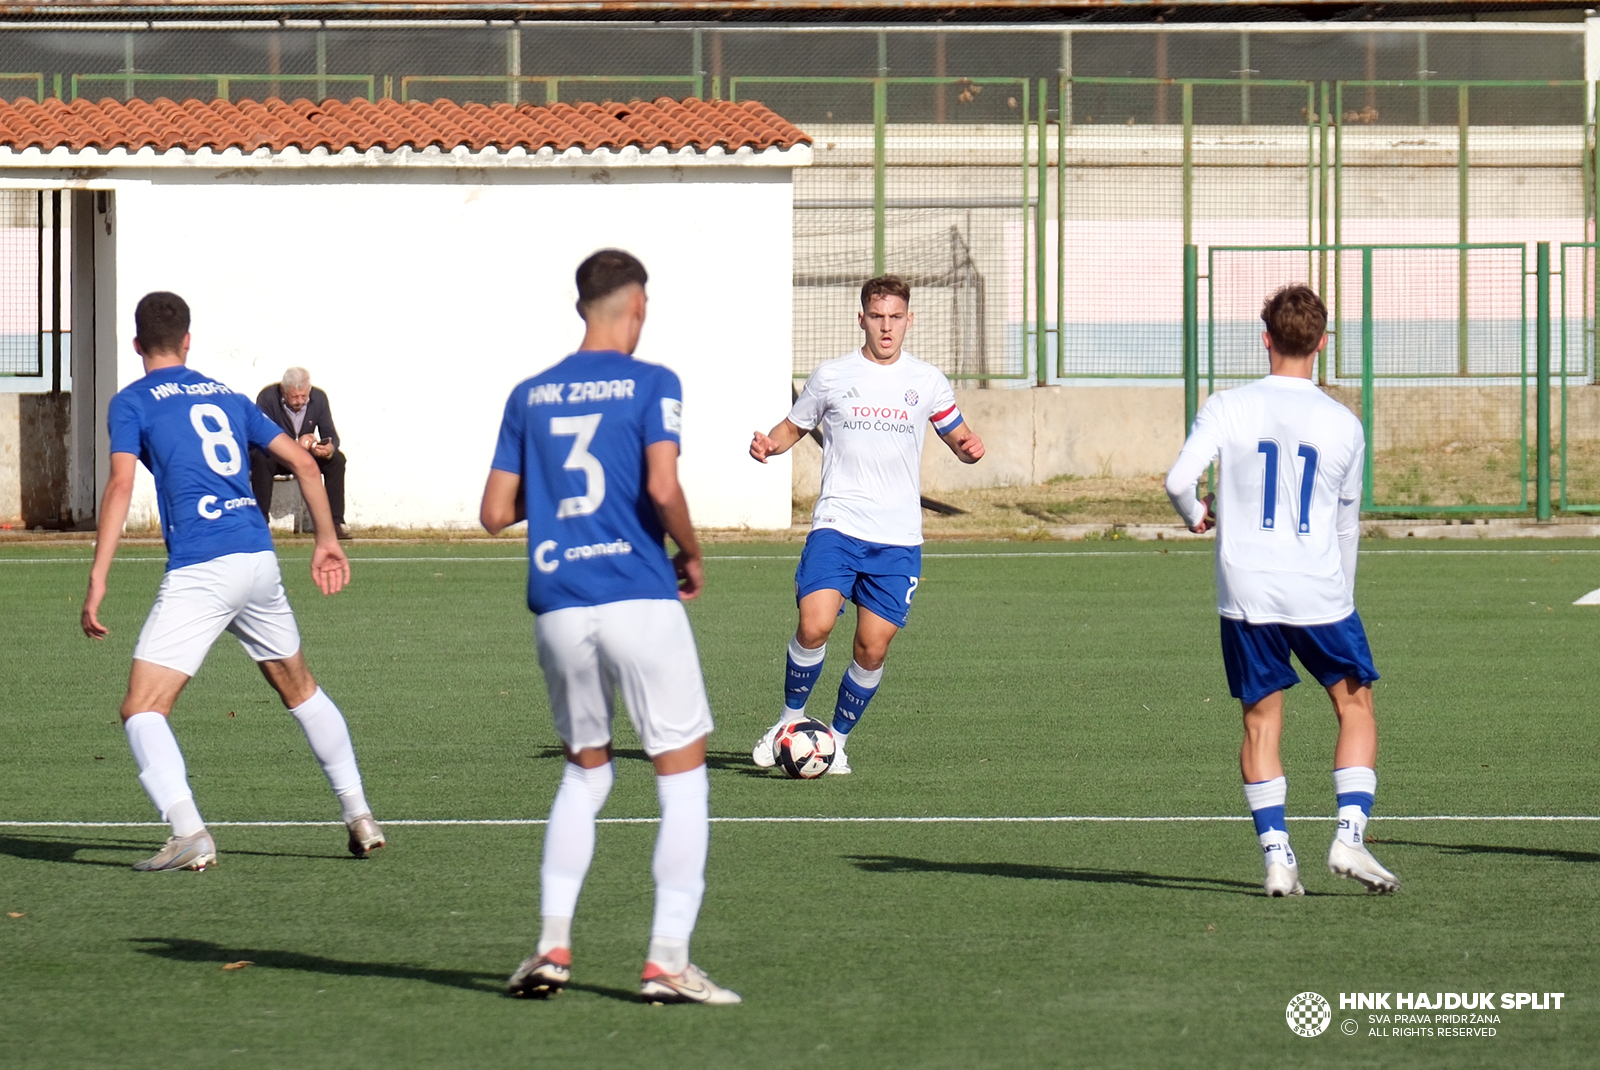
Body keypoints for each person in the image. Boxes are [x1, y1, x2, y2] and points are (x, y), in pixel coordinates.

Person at [480, 249, 738, 1005]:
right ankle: (666, 960)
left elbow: (495, 513)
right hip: (638, 597)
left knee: (584, 774)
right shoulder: (654, 382)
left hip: (561, 606)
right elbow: (662, 484)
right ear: (637, 306)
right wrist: (691, 552)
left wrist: (562, 501)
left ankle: (552, 945)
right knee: (682, 781)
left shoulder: (529, 394)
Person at [81, 292, 384, 872]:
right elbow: (305, 463)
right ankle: (360, 814)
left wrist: (98, 579)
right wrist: (327, 539)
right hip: (256, 559)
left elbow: (120, 487)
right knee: (301, 691)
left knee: (142, 710)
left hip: (202, 566)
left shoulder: (132, 402)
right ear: (188, 341)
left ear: (138, 345)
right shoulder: (228, 394)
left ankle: (188, 831)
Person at [1164, 283, 1398, 898]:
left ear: (1264, 338)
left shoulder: (1227, 406)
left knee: (1261, 724)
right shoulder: (1344, 423)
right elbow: (1347, 523)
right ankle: (1348, 838)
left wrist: (1196, 515)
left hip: (1246, 592)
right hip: (1320, 590)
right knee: (1356, 706)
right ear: (1322, 343)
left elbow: (1179, 480)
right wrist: (1341, 593)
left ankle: (1276, 858)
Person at [748, 274, 985, 775]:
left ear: (909, 321)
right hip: (838, 522)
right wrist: (769, 444)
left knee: (871, 649)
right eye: (877, 317)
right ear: (861, 319)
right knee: (814, 625)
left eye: (895, 317)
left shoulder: (926, 381)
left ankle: (833, 742)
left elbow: (957, 435)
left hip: (897, 540)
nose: (886, 327)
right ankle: (788, 724)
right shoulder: (833, 375)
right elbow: (794, 427)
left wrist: (968, 448)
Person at [251, 367, 350, 539]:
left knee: (337, 460)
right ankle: (260, 524)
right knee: (260, 458)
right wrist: (294, 445)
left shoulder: (319, 398)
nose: (300, 401)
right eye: (295, 396)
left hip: (304, 455)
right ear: (284, 390)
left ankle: (334, 524)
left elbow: (330, 434)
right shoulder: (267, 397)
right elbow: (260, 436)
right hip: (276, 456)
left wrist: (328, 448)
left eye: (304, 396)